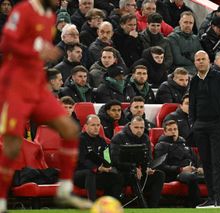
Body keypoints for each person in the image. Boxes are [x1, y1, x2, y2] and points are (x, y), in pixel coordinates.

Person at [0, 0, 93, 211]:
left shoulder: (49, 16)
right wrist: (36, 49)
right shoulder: (23, 10)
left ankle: (64, 192)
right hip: (15, 84)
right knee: (13, 145)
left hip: (36, 84)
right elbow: (7, 43)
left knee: (70, 129)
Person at [190, 51, 220, 208]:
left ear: (209, 61)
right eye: (198, 60)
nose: (200, 62)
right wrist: (192, 123)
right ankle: (210, 197)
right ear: (195, 62)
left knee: (218, 163)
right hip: (200, 126)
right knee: (206, 163)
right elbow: (192, 103)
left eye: (203, 59)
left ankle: (218, 199)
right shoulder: (194, 80)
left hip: (217, 125)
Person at [110, 116, 165, 208]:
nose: (139, 130)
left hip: (141, 173)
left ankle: (153, 207)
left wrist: (148, 168)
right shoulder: (118, 138)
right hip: (124, 172)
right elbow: (115, 160)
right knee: (132, 175)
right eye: (136, 127)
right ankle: (143, 206)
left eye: (141, 128)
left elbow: (148, 158)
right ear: (130, 126)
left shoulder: (145, 138)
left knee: (159, 175)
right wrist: (133, 168)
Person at [74, 115, 124, 201]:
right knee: (90, 173)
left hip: (99, 172)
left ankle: (107, 203)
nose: (96, 128)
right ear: (86, 126)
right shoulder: (79, 140)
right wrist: (97, 168)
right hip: (79, 174)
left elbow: (107, 157)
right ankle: (92, 204)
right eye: (93, 125)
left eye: (98, 125)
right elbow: (81, 160)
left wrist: (108, 166)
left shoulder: (102, 141)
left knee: (117, 177)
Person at [154, 119, 203, 207]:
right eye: (170, 130)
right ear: (164, 132)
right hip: (175, 174)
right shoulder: (161, 145)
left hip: (192, 171)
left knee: (212, 176)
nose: (173, 132)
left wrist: (199, 167)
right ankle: (196, 205)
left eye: (175, 129)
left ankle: (214, 202)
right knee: (191, 177)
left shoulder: (185, 144)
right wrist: (181, 169)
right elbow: (160, 166)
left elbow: (196, 159)